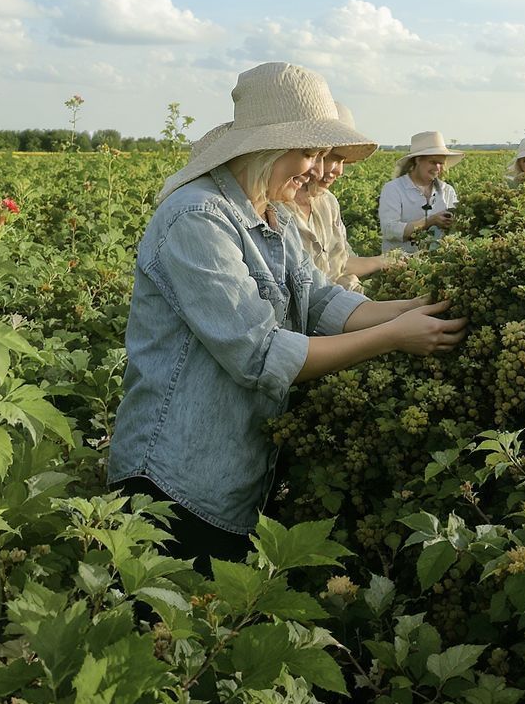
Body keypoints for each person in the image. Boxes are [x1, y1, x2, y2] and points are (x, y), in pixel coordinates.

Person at [108, 63, 467, 573]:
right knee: (168, 631)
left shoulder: (269, 213)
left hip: (235, 465)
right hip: (177, 476)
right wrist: (393, 336)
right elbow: (261, 354)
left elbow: (322, 301)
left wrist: (413, 307)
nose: (316, 169)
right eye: (309, 151)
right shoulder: (197, 218)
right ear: (264, 147)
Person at [293, 102, 396, 291]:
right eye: (334, 157)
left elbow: (338, 264)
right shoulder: (274, 208)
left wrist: (384, 262)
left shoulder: (327, 202)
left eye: (343, 161)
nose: (339, 170)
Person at [379, 131, 462, 253]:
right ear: (417, 160)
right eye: (433, 162)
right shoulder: (394, 189)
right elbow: (389, 230)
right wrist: (429, 222)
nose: (438, 168)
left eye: (441, 163)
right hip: (398, 265)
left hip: (438, 264)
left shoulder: (447, 191)